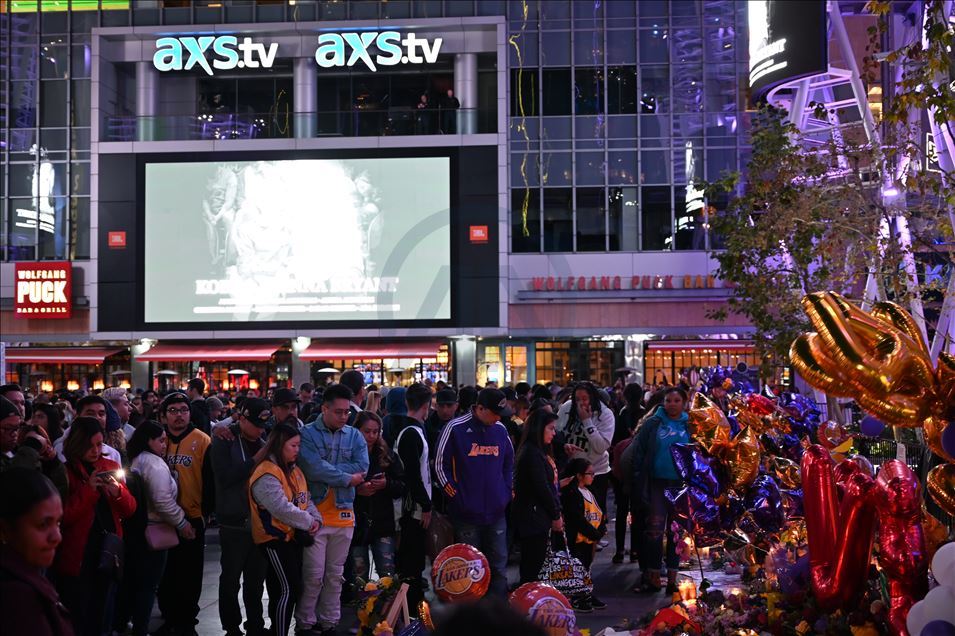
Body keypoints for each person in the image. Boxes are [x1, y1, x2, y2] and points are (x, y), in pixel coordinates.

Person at [296, 384, 370, 635]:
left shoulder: (354, 435)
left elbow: (363, 467)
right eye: (338, 411)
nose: (343, 416)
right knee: (313, 575)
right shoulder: (306, 434)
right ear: (324, 409)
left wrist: (333, 471)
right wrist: (347, 477)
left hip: (344, 513)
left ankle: (330, 621)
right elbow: (312, 468)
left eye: (346, 412)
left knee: (335, 575)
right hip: (314, 513)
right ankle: (305, 622)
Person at [55, 416, 137, 636]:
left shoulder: (109, 465)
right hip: (79, 555)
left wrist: (118, 493)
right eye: (90, 445)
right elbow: (65, 516)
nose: (95, 450)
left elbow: (130, 509)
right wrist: (89, 491)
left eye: (99, 444)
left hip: (108, 552)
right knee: (80, 617)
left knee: (104, 615)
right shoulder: (65, 472)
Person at [435, 388, 515, 597]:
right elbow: (439, 466)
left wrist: (506, 493)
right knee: (471, 569)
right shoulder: (454, 428)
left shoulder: (500, 429)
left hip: (496, 512)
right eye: (495, 413)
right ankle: (473, 617)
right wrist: (456, 496)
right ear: (480, 408)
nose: (499, 418)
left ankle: (498, 612)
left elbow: (509, 464)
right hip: (466, 514)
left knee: (499, 565)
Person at [119, 421, 195, 636]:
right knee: (148, 585)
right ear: (148, 441)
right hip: (154, 530)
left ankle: (125, 623)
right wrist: (182, 522)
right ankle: (141, 628)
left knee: (135, 583)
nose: (164, 444)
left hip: (136, 529)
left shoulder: (137, 460)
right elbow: (162, 500)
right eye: (161, 440)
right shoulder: (154, 464)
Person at [249, 423, 322, 636]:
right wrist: (309, 521)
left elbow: (304, 499)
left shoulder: (294, 470)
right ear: (280, 445)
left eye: (299, 445)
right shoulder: (266, 472)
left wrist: (315, 519)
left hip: (292, 538)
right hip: (273, 538)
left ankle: (277, 630)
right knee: (289, 588)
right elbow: (281, 508)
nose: (297, 450)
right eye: (294, 445)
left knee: (282, 589)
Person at [211, 398, 270, 636]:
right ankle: (231, 625)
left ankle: (255, 623)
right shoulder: (225, 440)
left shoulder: (262, 441)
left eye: (264, 425)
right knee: (231, 578)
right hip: (233, 519)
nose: (261, 429)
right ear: (242, 419)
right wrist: (259, 457)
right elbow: (227, 477)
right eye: (256, 424)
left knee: (256, 580)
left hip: (259, 519)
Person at [156, 392, 214, 636]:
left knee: (190, 573)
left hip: (192, 516)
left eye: (183, 410)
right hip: (161, 517)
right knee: (166, 573)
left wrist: (207, 512)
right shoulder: (157, 439)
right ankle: (169, 618)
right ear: (164, 415)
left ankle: (188, 621)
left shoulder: (202, 440)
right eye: (173, 411)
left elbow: (211, 480)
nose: (179, 415)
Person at [0, 468, 74, 636]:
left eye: (58, 523)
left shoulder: (26, 579)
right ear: (4, 530)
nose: (57, 537)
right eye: (43, 525)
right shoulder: (15, 598)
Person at [630, 387, 689, 595]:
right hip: (656, 483)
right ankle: (653, 578)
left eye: (676, 400)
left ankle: (673, 580)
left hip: (680, 486)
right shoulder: (652, 423)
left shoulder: (690, 425)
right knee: (654, 530)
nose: (672, 404)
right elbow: (639, 451)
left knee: (676, 533)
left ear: (683, 403)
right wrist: (639, 477)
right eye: (668, 400)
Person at [349, 412, 404, 586]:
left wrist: (386, 484)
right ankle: (363, 611)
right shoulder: (348, 454)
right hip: (357, 525)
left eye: (375, 431)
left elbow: (401, 486)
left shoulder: (386, 454)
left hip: (382, 523)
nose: (371, 436)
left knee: (387, 574)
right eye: (367, 431)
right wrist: (357, 490)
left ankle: (389, 612)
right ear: (357, 431)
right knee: (359, 577)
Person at [394, 383, 434, 609]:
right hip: (413, 508)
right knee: (412, 561)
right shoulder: (411, 433)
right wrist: (426, 505)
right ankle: (413, 607)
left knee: (414, 560)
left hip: (415, 506)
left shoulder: (411, 430)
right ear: (426, 406)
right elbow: (412, 475)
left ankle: (414, 604)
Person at [512, 410, 563, 584]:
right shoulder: (531, 454)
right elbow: (542, 488)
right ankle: (527, 603)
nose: (554, 433)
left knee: (534, 566)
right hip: (533, 518)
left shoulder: (537, 451)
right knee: (532, 567)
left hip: (537, 516)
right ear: (539, 429)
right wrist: (556, 514)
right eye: (550, 428)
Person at [555, 382, 614, 530]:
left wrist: (587, 421)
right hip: (569, 469)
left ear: (593, 398)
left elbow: (601, 447)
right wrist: (563, 446)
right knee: (571, 513)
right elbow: (556, 432)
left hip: (595, 471)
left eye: (585, 398)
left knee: (591, 515)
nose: (581, 403)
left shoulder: (605, 414)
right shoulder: (566, 408)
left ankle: (593, 543)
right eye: (577, 399)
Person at [560, 458, 607, 613]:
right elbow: (576, 518)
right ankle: (577, 598)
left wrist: (600, 530)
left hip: (590, 538)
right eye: (589, 473)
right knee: (578, 568)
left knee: (587, 567)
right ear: (579, 475)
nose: (593, 476)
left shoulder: (590, 491)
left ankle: (587, 594)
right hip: (578, 538)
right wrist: (593, 533)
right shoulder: (572, 493)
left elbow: (599, 513)